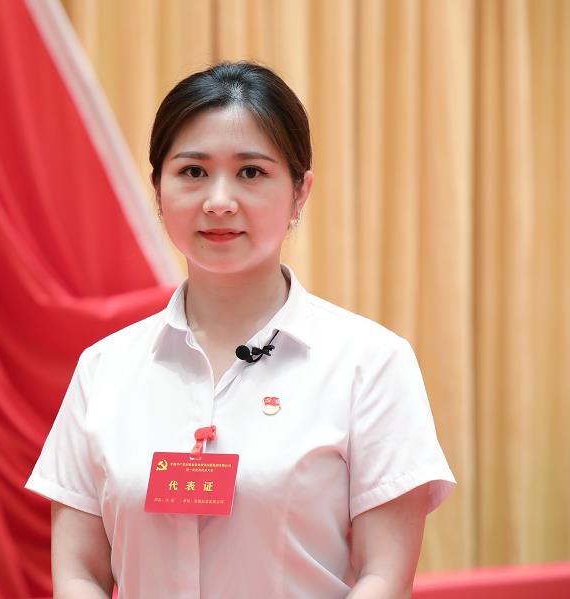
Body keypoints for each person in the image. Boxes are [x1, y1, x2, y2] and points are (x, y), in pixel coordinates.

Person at [25, 61, 455, 598]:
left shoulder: (370, 363)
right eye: (193, 172)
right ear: (157, 187)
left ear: (300, 192)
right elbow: (79, 573)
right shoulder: (103, 369)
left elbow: (383, 577)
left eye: (251, 172)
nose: (219, 201)